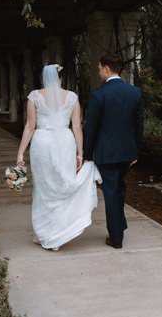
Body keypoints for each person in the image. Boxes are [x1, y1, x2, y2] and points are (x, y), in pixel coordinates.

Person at [16, 64, 102, 250]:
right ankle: (58, 233)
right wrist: (80, 153)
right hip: (65, 142)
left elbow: (30, 126)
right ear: (61, 78)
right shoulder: (72, 97)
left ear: (45, 78)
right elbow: (77, 127)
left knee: (44, 188)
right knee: (62, 184)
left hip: (42, 143)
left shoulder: (35, 96)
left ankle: (46, 233)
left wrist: (20, 151)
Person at [83, 54, 144, 249]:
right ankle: (120, 225)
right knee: (120, 188)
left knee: (110, 191)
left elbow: (91, 128)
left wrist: (86, 155)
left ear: (107, 69)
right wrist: (136, 151)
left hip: (106, 153)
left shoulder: (98, 95)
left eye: (100, 68)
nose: (99, 72)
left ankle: (116, 237)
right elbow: (138, 126)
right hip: (126, 152)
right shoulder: (134, 93)